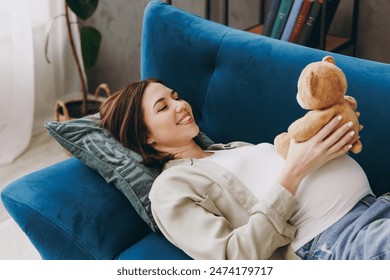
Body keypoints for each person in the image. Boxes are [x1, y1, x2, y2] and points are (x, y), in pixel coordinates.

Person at [100, 79, 390, 260]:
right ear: (146, 137)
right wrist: (296, 170)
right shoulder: (170, 187)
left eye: (175, 96)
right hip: (340, 241)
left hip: (376, 207)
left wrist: (334, 133)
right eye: (163, 107)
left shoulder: (232, 148)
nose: (180, 105)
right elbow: (232, 259)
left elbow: (301, 156)